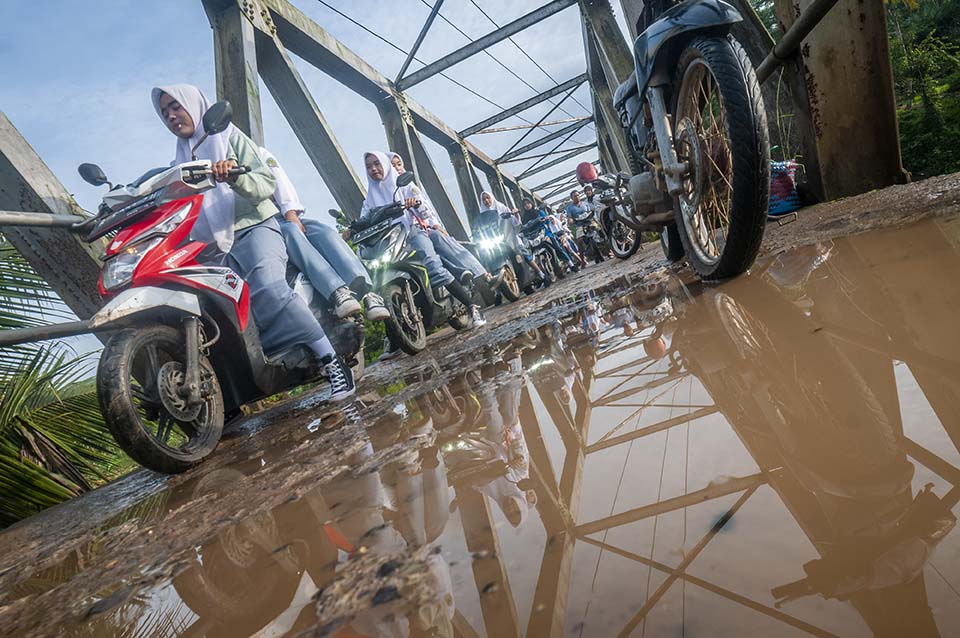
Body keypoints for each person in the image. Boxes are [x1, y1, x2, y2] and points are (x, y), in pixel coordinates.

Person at [152, 84, 354, 400]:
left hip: (255, 226)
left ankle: (332, 362)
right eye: (164, 112)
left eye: (175, 106)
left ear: (193, 104)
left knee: (268, 288)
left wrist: (233, 176)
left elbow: (264, 184)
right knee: (218, 314)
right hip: (212, 247)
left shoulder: (229, 138)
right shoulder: (177, 166)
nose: (171, 115)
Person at [355, 151, 486, 328]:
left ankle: (472, 307)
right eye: (369, 166)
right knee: (377, 275)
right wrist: (351, 229)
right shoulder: (369, 199)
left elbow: (424, 209)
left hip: (412, 231)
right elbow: (364, 217)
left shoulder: (405, 185)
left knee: (433, 266)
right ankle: (394, 337)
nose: (373, 169)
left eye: (377, 164)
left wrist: (415, 203)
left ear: (385, 164)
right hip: (389, 238)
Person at [259, 146, 388, 321]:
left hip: (283, 215)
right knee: (290, 231)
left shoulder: (255, 151)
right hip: (262, 225)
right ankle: (337, 291)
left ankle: (367, 293)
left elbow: (278, 177)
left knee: (325, 232)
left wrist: (290, 212)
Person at [389, 153, 499, 290]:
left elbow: (426, 209)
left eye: (399, 164)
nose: (397, 168)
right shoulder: (382, 189)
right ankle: (461, 275)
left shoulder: (409, 186)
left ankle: (483, 275)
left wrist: (434, 223)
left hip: (420, 229)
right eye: (392, 165)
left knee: (444, 242)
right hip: (397, 239)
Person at [478, 191, 547, 284]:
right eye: (483, 199)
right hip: (496, 242)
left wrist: (515, 214)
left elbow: (517, 224)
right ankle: (498, 291)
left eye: (488, 197)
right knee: (490, 261)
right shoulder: (482, 217)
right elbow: (479, 229)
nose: (486, 200)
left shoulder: (502, 208)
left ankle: (541, 273)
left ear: (492, 197)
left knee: (525, 255)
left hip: (510, 238)